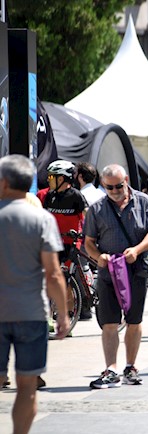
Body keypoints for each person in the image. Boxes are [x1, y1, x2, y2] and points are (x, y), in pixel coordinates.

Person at [0, 155, 70, 434]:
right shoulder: (42, 219)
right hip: (31, 313)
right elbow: (53, 273)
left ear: (3, 182)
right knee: (27, 387)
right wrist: (62, 314)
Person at [84, 164, 148, 389]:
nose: (116, 190)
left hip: (136, 269)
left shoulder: (144, 202)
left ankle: (131, 366)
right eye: (110, 187)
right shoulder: (96, 208)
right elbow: (88, 242)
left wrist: (136, 250)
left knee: (134, 320)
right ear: (103, 185)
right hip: (109, 272)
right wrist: (99, 256)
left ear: (126, 179)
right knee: (109, 322)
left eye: (119, 185)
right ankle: (111, 369)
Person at [38, 160, 87, 262]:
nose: (48, 179)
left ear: (60, 179)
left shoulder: (76, 196)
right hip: (52, 244)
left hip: (71, 246)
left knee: (81, 272)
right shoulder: (46, 195)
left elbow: (88, 215)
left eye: (51, 176)